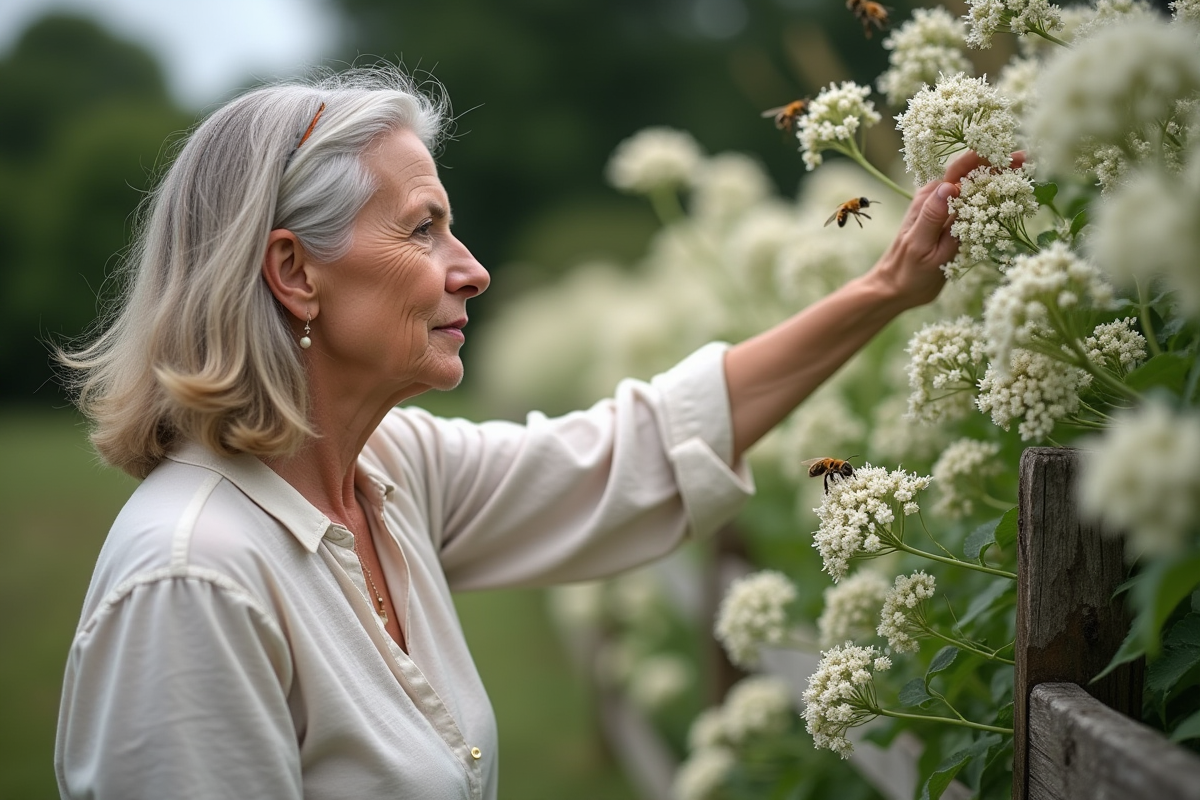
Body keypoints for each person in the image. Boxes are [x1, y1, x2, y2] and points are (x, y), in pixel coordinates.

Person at [54, 67, 980, 799]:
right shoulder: (193, 581)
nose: (474, 271)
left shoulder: (387, 469)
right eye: (424, 230)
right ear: (295, 272)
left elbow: (633, 453)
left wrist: (888, 288)